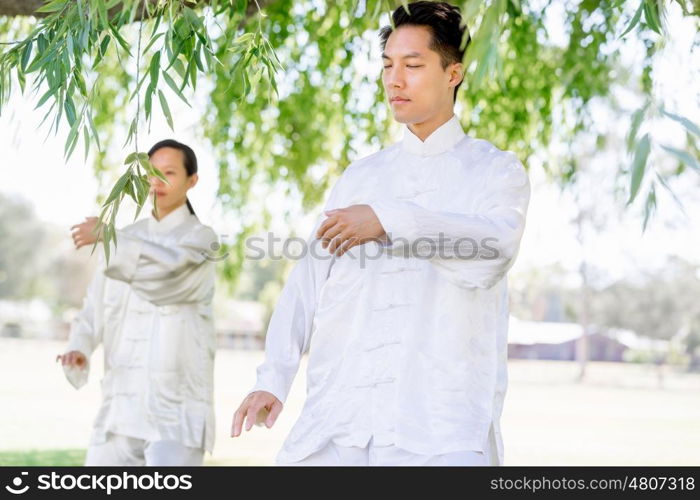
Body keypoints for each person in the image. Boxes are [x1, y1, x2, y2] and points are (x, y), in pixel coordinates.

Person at [231, 1, 531, 466]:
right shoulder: (360, 177)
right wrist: (273, 377)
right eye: (388, 65)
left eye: (413, 65)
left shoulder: (494, 171)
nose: (395, 80)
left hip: (440, 426)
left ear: (453, 73)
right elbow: (308, 282)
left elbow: (492, 251)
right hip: (341, 416)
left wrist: (390, 220)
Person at [57, 139, 219, 466]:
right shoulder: (127, 237)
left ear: (192, 181)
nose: (157, 181)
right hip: (121, 405)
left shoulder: (202, 239)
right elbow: (95, 308)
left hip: (176, 410)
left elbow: (168, 274)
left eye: (169, 173)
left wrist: (107, 235)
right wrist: (80, 346)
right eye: (151, 173)